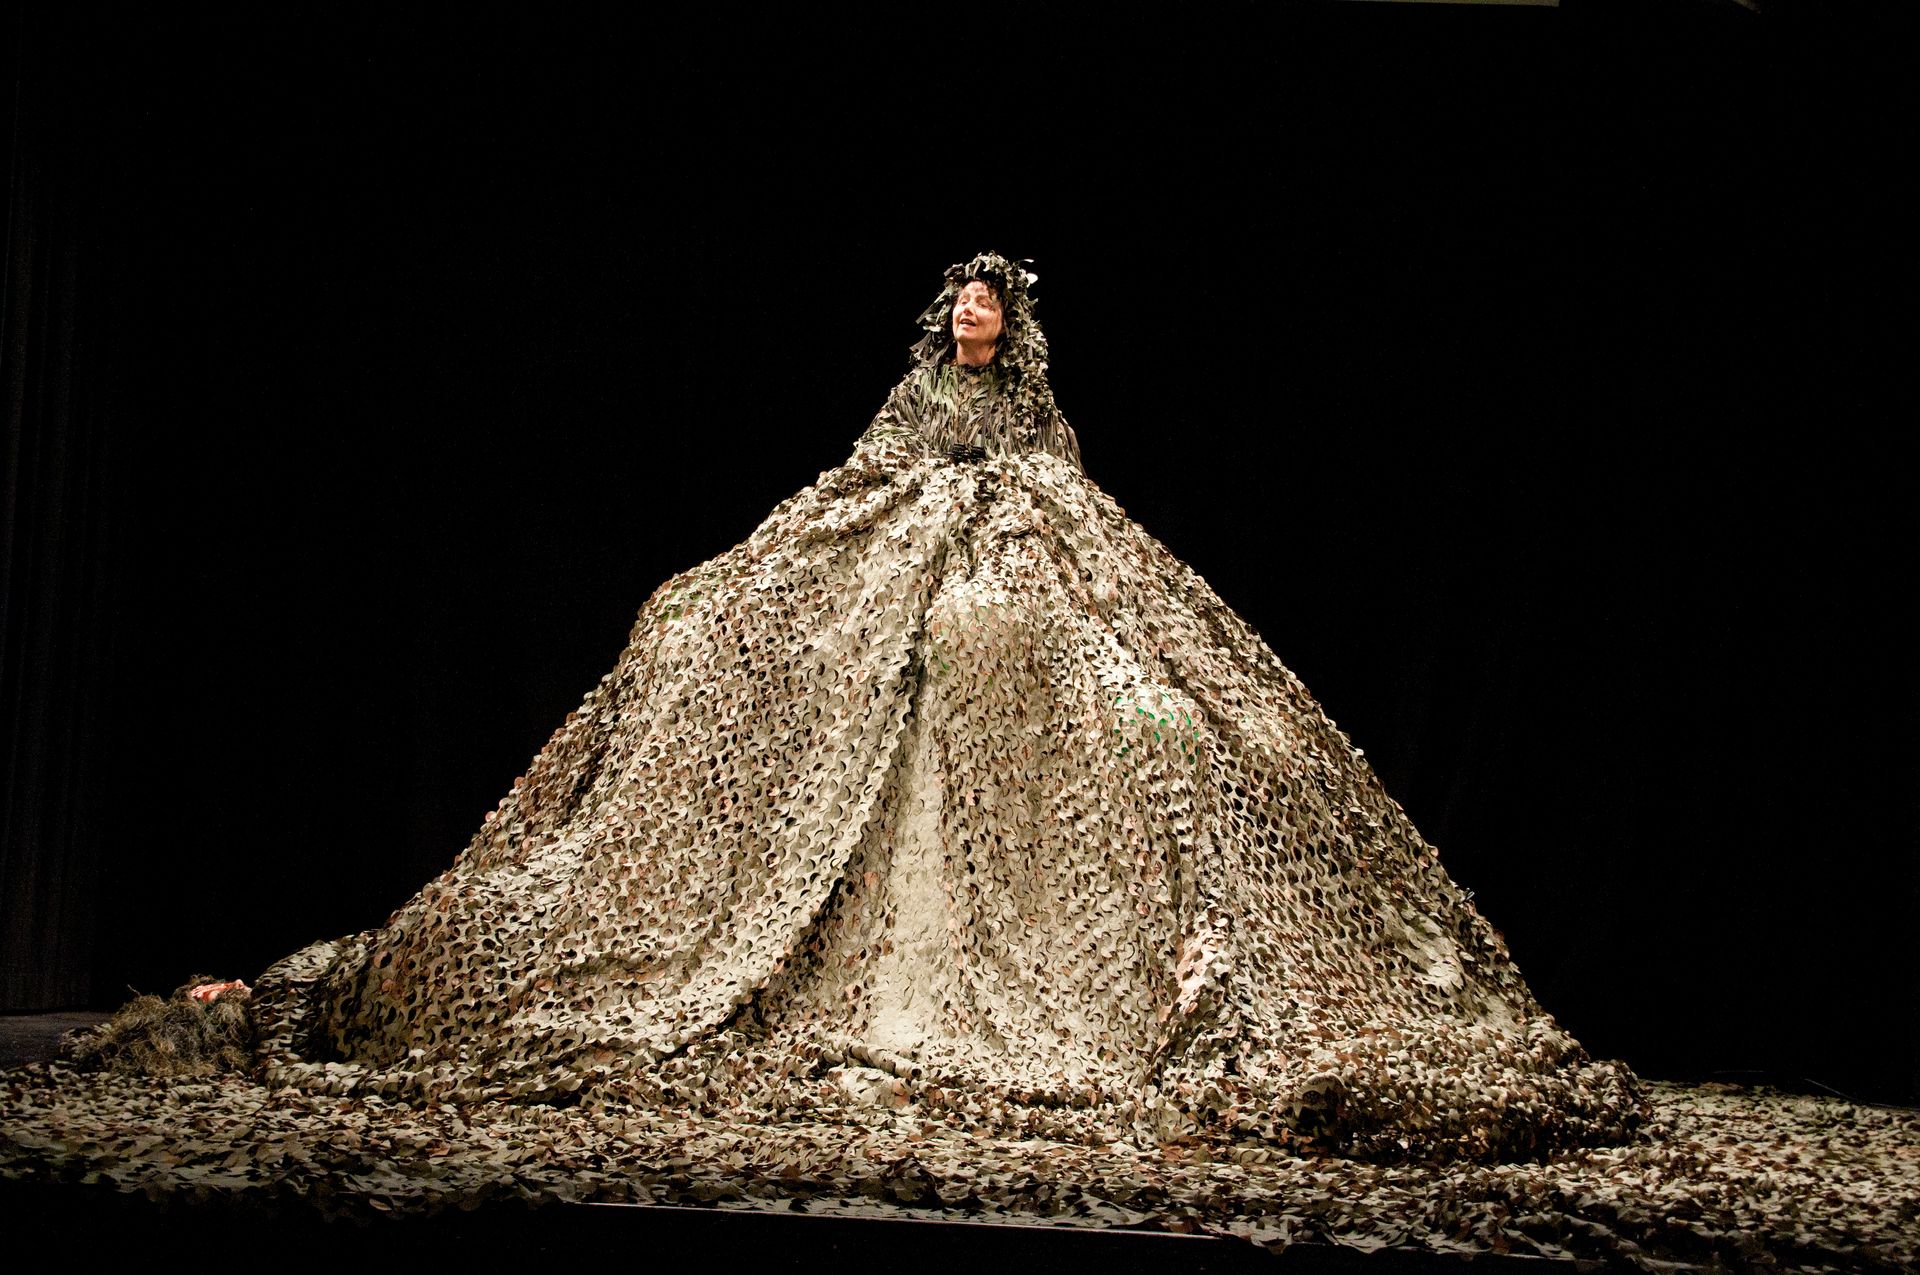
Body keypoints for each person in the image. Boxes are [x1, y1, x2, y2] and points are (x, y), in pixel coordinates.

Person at [249, 252, 1640, 1160]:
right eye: (962, 306)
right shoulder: (917, 396)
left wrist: (1010, 506)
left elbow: (1064, 484)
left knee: (1069, 668)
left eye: (989, 308)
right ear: (944, 322)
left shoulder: (1033, 410)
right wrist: (917, 506)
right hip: (907, 551)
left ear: (1011, 325)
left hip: (1014, 559)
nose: (974, 320)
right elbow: (872, 468)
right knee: (731, 622)